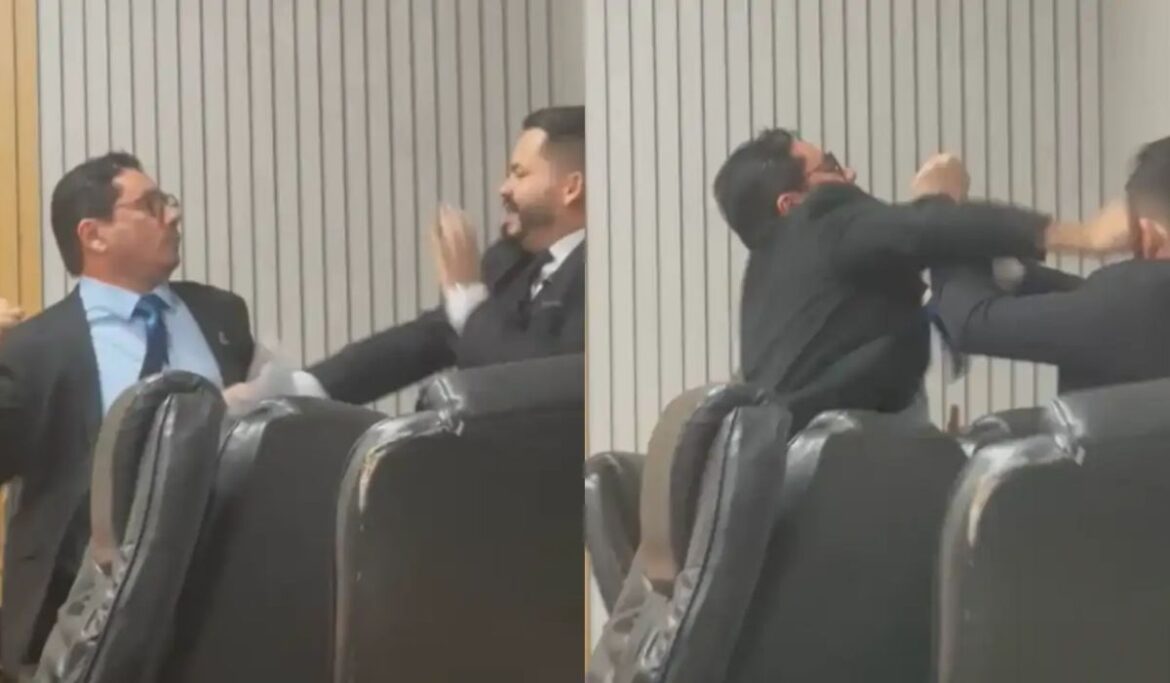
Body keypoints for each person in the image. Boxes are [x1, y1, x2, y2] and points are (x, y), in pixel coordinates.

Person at [0, 152, 256, 673]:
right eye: (151, 205)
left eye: (169, 201)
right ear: (94, 235)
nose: (173, 215)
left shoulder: (223, 315)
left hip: (224, 610)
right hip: (84, 632)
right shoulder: (34, 351)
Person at [712, 129, 1130, 428]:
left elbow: (921, 243)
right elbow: (925, 231)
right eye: (832, 166)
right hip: (843, 471)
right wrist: (1088, 236)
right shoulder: (818, 222)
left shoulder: (770, 275)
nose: (850, 173)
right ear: (792, 203)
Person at [298, 106, 586, 404]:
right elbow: (426, 339)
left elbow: (535, 383)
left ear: (571, 188)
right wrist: (302, 390)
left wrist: (470, 299)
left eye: (519, 174)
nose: (504, 189)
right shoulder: (510, 262)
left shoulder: (599, 274)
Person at [929, 135, 1170, 392]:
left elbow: (970, 322)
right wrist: (1017, 274)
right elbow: (1100, 307)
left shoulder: (1138, 302)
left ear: (1149, 236)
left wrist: (940, 210)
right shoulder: (1138, 306)